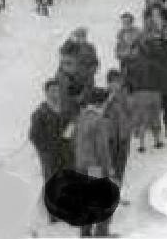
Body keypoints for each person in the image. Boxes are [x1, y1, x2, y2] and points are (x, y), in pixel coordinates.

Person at [73, 89, 117, 237]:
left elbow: (72, 141)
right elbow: (102, 148)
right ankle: (102, 232)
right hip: (95, 167)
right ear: (101, 102)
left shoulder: (80, 118)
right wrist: (108, 168)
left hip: (80, 165)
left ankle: (85, 233)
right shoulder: (99, 121)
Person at [29, 79, 74, 189]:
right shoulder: (40, 114)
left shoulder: (66, 112)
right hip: (50, 157)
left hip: (66, 156)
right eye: (52, 91)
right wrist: (47, 150)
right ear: (46, 93)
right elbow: (33, 136)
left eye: (57, 91)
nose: (55, 94)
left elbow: (71, 131)